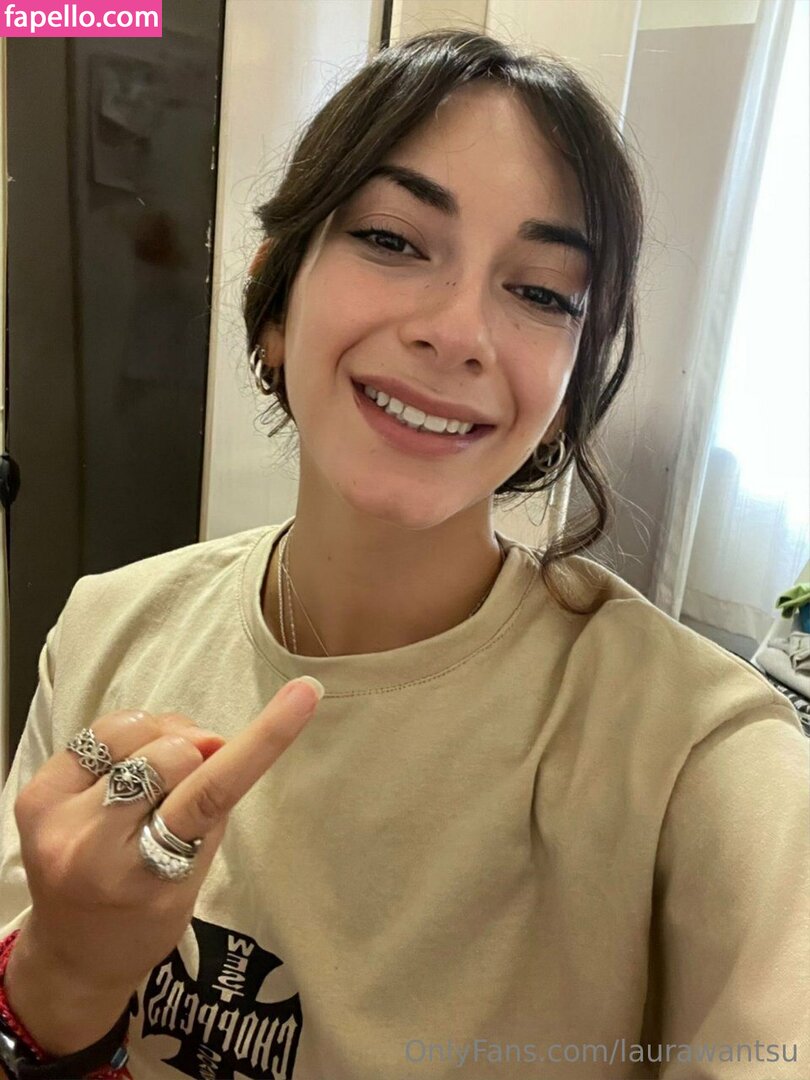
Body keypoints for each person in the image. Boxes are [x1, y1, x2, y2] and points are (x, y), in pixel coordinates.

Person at [0, 26, 808, 1080]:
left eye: (542, 292)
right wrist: (66, 976)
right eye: (392, 239)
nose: (459, 332)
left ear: (570, 389)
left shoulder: (706, 757)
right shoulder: (109, 627)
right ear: (275, 301)